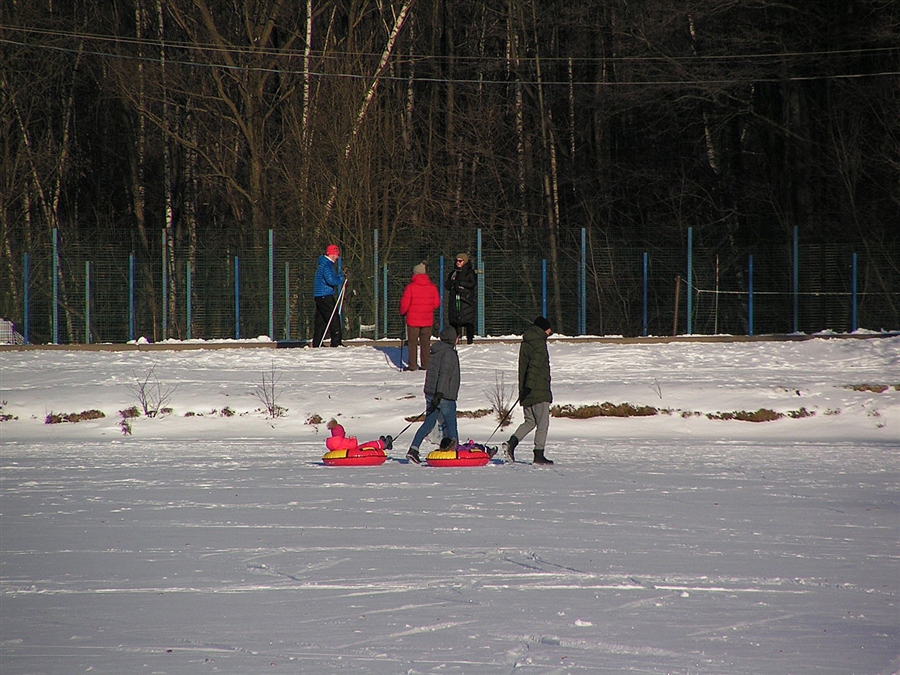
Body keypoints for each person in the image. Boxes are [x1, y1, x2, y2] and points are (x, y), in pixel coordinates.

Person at [503, 316, 554, 465]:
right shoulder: (539, 344)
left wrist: (524, 389)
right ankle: (539, 454)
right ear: (544, 329)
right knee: (542, 424)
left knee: (530, 421)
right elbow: (534, 368)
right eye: (549, 329)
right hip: (537, 389)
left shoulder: (527, 342)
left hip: (527, 390)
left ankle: (511, 443)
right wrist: (529, 386)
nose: (550, 332)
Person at [406, 326, 461, 464]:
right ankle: (455, 453)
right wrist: (440, 394)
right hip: (444, 395)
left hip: (431, 393)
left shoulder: (436, 350)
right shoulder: (448, 353)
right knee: (451, 425)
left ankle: (413, 449)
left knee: (429, 423)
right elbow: (444, 374)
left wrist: (434, 395)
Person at [399, 262, 441, 371]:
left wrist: (403, 312)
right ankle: (425, 364)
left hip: (413, 320)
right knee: (425, 343)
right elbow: (436, 303)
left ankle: (412, 365)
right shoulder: (432, 287)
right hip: (427, 320)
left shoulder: (411, 287)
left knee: (412, 343)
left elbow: (405, 303)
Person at [312, 244, 345, 347]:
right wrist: (342, 278)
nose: (337, 257)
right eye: (336, 254)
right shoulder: (326, 265)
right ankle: (336, 342)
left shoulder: (323, 264)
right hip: (325, 295)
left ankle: (317, 342)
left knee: (321, 320)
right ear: (331, 254)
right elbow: (331, 280)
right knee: (333, 318)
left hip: (319, 295)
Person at [445, 252, 477, 344]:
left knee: (468, 321)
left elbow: (472, 284)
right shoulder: (453, 272)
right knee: (454, 321)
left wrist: (461, 284)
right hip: (455, 300)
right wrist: (453, 284)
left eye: (460, 261)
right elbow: (447, 284)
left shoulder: (470, 272)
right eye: (457, 261)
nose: (458, 263)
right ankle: (454, 340)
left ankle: (470, 340)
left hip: (466, 301)